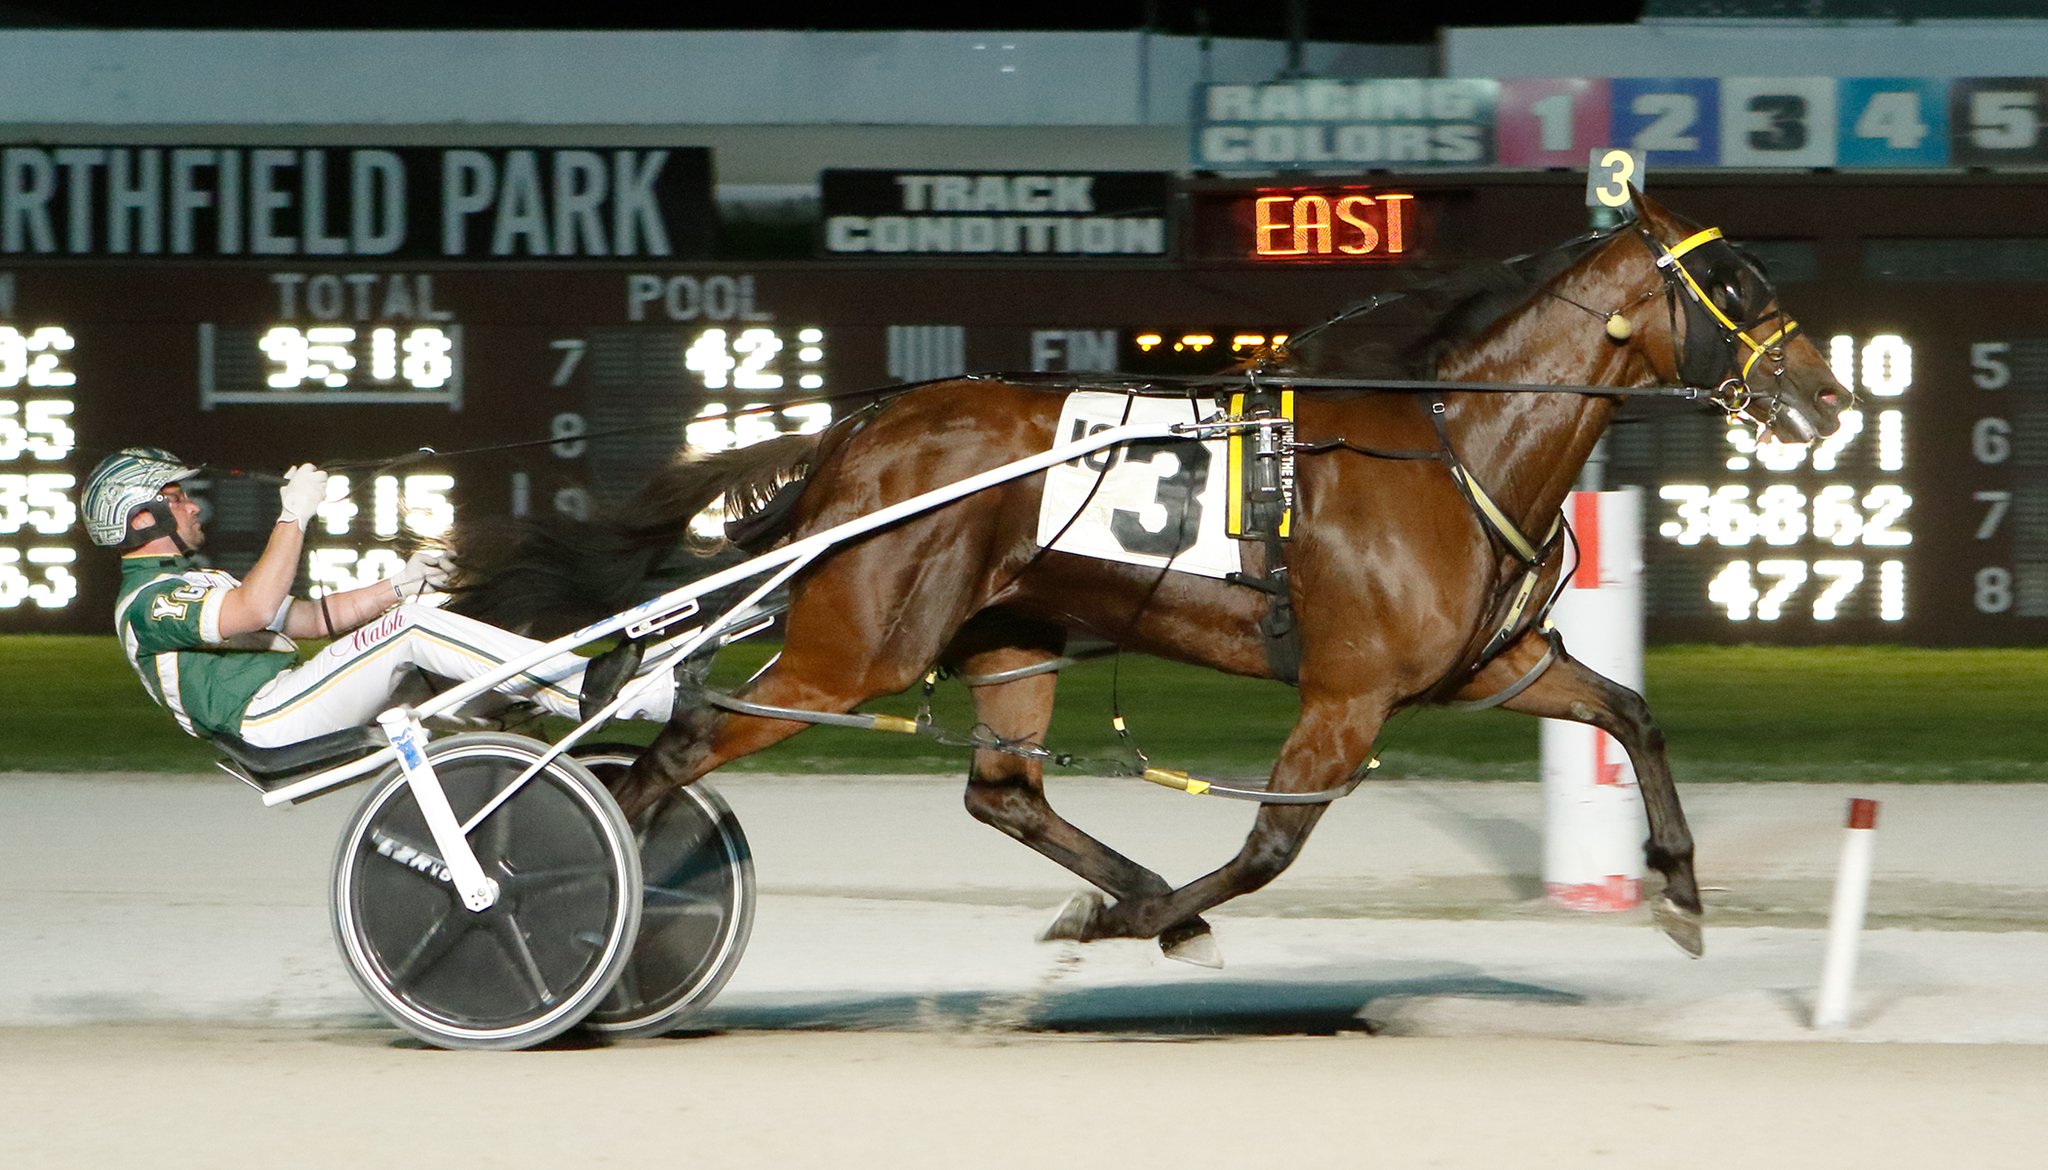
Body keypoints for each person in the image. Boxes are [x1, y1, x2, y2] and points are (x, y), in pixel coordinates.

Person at [84, 447, 674, 749]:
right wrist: (293, 515)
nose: (192, 505)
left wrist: (402, 584)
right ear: (142, 517)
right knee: (412, 631)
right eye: (177, 497)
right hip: (266, 720)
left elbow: (314, 619)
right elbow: (259, 611)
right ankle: (603, 692)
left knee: (424, 625)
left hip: (290, 699)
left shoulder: (200, 581)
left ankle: (550, 708)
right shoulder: (150, 601)